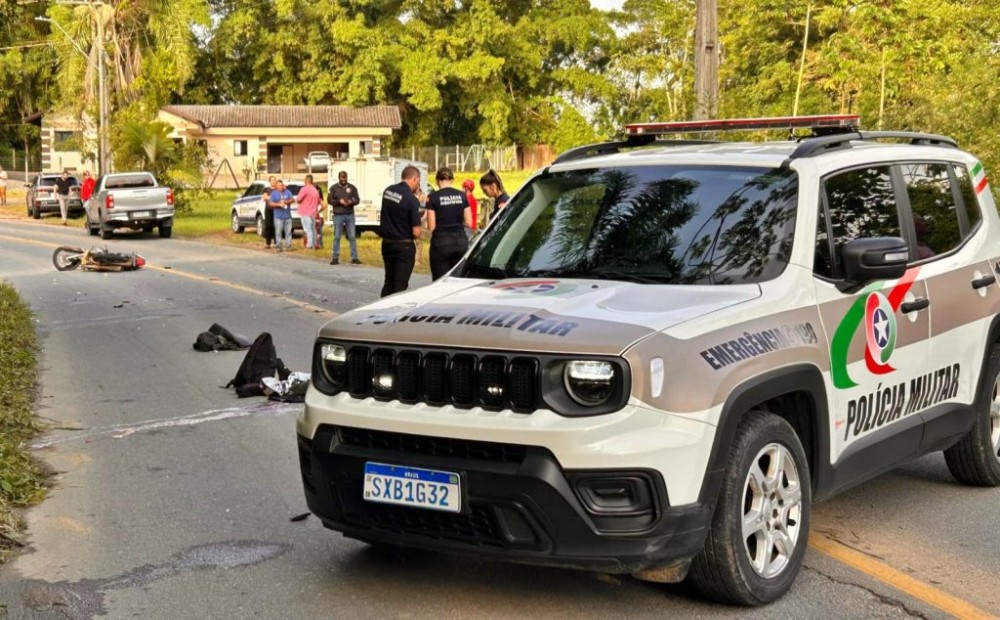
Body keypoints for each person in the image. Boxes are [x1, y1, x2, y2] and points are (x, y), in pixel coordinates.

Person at [379, 165, 424, 297]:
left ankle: (382, 310)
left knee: (388, 282)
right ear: (415, 179)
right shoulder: (411, 200)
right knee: (400, 286)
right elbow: (416, 232)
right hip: (403, 247)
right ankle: (395, 315)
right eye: (419, 181)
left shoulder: (388, 191)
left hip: (387, 244)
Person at [427, 167, 472, 280]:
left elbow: (431, 227)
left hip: (441, 243)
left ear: (437, 181)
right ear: (452, 180)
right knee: (457, 280)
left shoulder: (433, 198)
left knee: (440, 281)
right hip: (460, 242)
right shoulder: (462, 196)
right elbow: (469, 222)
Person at [328, 170, 361, 265]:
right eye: (342, 178)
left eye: (345, 178)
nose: (343, 180)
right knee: (337, 236)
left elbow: (357, 199)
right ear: (339, 178)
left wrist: (351, 202)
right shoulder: (334, 188)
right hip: (338, 215)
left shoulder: (352, 188)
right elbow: (329, 200)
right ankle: (335, 257)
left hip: (349, 214)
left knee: (352, 236)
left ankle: (354, 257)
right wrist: (339, 201)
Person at [295, 175, 321, 249]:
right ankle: (314, 244)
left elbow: (299, 199)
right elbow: (319, 201)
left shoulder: (304, 189)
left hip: (305, 212)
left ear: (306, 180)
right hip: (313, 213)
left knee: (307, 229)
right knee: (313, 229)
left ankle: (309, 245)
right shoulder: (315, 190)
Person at [268, 179, 294, 252]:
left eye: (282, 185)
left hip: (288, 216)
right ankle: (279, 246)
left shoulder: (287, 192)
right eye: (279, 185)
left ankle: (288, 245)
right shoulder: (274, 194)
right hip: (278, 216)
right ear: (276, 186)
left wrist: (286, 202)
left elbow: (292, 200)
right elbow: (270, 203)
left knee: (288, 232)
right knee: (278, 232)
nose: (281, 186)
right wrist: (278, 204)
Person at [262, 176, 278, 248]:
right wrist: (272, 197)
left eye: (274, 180)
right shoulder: (266, 189)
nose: (273, 182)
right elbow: (264, 197)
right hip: (268, 210)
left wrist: (270, 197)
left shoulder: (278, 189)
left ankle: (275, 242)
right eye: (272, 180)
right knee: (268, 226)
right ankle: (268, 243)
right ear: (270, 181)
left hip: (276, 210)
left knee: (276, 226)